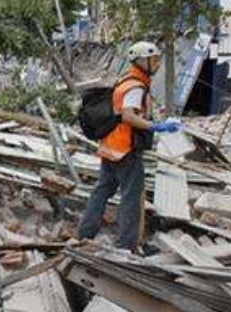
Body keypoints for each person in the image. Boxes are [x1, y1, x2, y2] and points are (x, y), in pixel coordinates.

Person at [77, 41, 180, 253]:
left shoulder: (125, 80)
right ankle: (128, 244)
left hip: (111, 146)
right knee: (132, 196)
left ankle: (84, 234)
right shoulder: (135, 86)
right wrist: (156, 126)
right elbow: (128, 115)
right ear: (143, 61)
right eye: (155, 60)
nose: (158, 64)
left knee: (102, 190)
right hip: (125, 149)